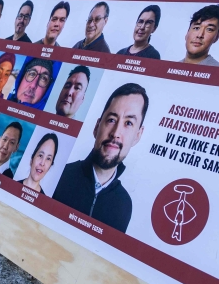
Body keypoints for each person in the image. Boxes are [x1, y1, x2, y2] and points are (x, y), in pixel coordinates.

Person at [51, 83, 148, 232]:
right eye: (111, 120)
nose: (116, 133)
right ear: (97, 127)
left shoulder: (124, 205)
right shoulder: (57, 175)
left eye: (128, 123)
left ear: (138, 135)